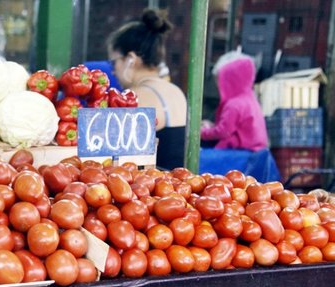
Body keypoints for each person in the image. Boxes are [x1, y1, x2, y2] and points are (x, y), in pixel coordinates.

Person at [107, 9, 187, 169]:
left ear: (131, 59)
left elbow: (117, 162)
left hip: (152, 188)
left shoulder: (136, 97)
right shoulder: (176, 91)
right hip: (178, 188)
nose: (113, 70)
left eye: (114, 62)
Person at [200, 52, 268, 151]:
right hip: (255, 151)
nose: (218, 86)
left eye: (219, 81)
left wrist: (201, 133)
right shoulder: (250, 99)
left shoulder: (234, 105)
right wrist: (212, 127)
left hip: (241, 153)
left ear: (230, 80)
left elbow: (223, 132)